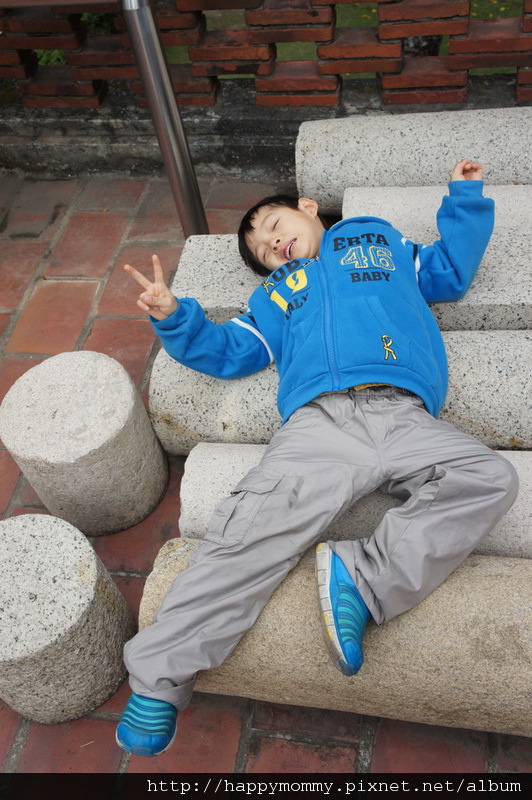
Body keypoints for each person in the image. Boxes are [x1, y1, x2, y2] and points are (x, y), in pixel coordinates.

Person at [115, 160, 518, 757]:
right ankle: (159, 677)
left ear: (307, 207)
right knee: (249, 533)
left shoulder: (377, 240)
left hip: (404, 412)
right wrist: (176, 318)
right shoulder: (276, 295)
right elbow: (231, 352)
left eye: (273, 224)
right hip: (319, 426)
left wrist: (464, 199)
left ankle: (364, 579)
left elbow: (450, 272)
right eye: (262, 249)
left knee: (489, 478)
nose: (272, 243)